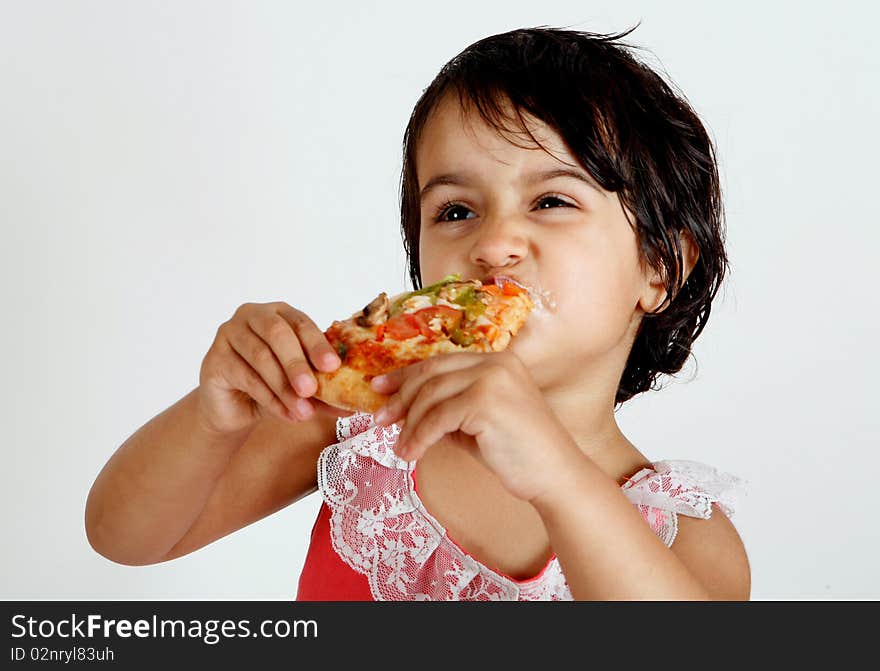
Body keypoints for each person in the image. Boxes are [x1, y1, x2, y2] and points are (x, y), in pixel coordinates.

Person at [85, 26, 750, 601]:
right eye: (455, 211)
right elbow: (124, 536)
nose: (492, 245)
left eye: (551, 201)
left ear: (660, 267)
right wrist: (214, 416)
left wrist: (557, 473)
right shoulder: (365, 424)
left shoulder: (683, 530)